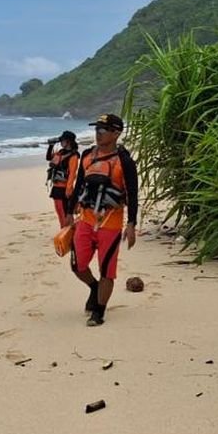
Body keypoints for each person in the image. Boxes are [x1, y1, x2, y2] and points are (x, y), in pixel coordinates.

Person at [71, 113, 138, 326]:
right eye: (96, 130)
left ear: (116, 133)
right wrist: (68, 212)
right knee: (77, 266)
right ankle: (94, 287)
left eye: (102, 130)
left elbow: (133, 194)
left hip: (111, 222)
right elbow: (79, 184)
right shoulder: (87, 156)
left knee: (107, 268)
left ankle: (99, 311)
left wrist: (131, 224)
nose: (97, 134)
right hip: (86, 219)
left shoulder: (125, 161)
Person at [45, 130, 80, 228]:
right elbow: (49, 158)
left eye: (63, 140)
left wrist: (68, 189)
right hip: (56, 187)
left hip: (64, 189)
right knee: (60, 211)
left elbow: (72, 173)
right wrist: (51, 146)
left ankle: (67, 231)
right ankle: (65, 230)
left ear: (68, 142)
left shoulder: (73, 156)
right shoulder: (61, 153)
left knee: (64, 212)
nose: (61, 142)